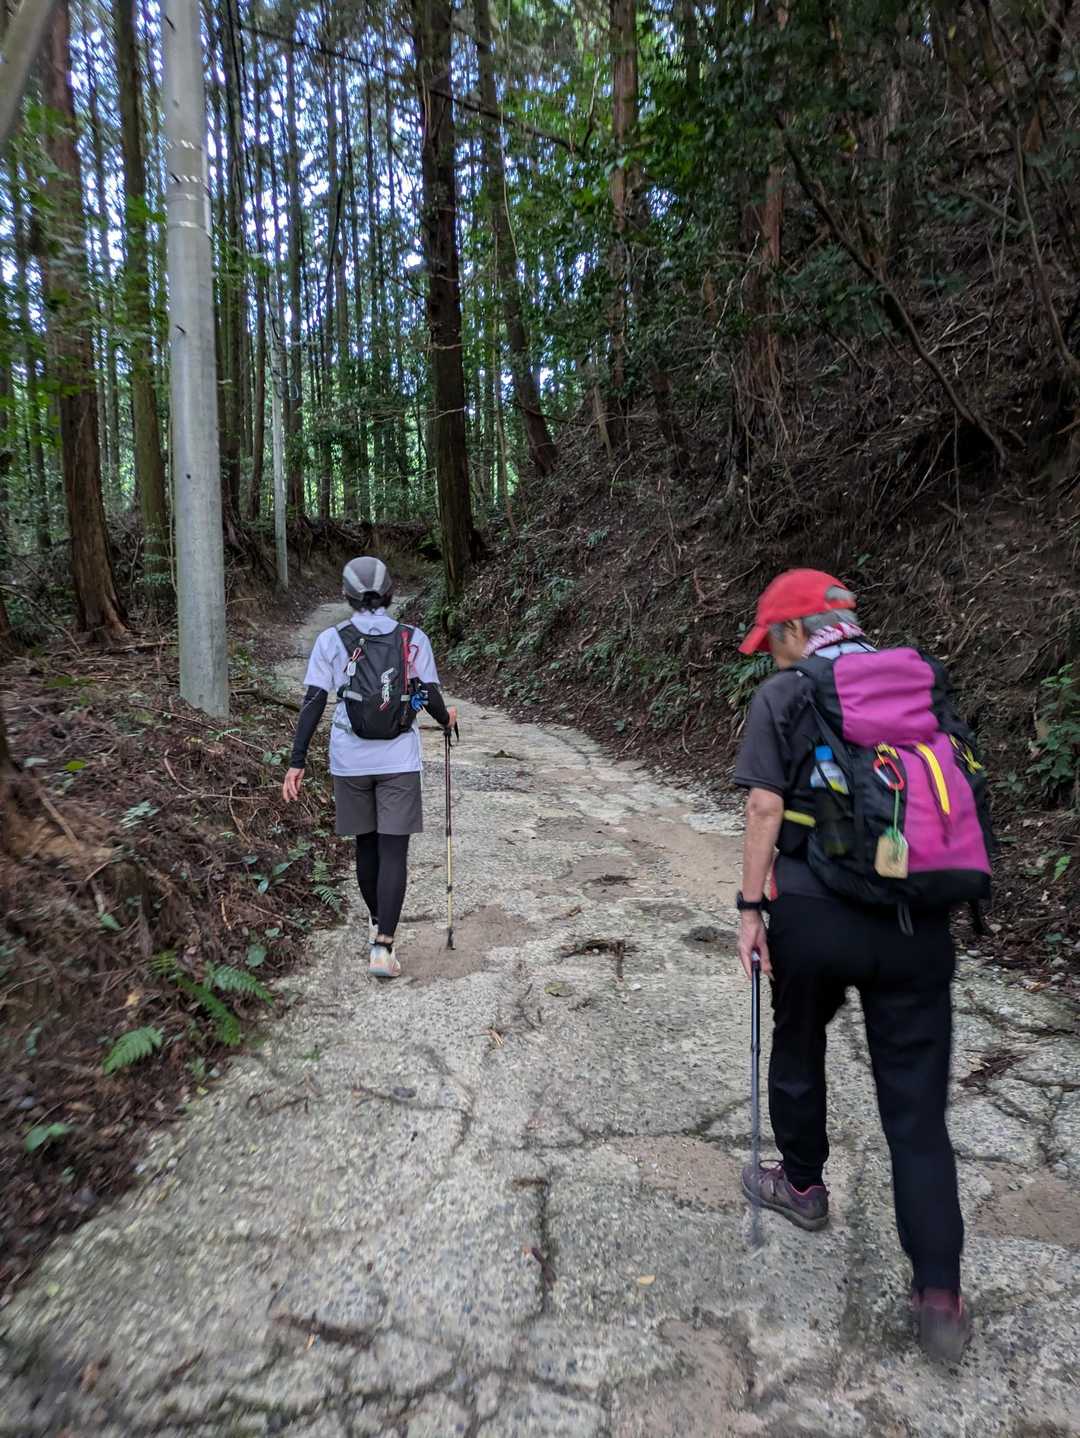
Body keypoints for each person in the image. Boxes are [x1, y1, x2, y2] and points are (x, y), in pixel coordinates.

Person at [732, 568, 971, 1363]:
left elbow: (765, 806)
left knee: (799, 1038)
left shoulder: (787, 694)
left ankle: (802, 1185)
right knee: (917, 1113)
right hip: (916, 921)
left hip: (814, 915)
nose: (771, 656)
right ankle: (938, 1294)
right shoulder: (917, 683)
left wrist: (750, 909)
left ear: (796, 631)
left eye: (771, 641)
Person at [281, 556, 456, 979]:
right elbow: (427, 693)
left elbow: (314, 701)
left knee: (366, 845)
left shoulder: (330, 640)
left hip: (350, 758)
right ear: (391, 593)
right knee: (393, 851)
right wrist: (445, 719)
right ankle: (383, 947)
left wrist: (297, 760)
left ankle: (377, 922)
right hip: (398, 758)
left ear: (346, 595)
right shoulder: (412, 638)